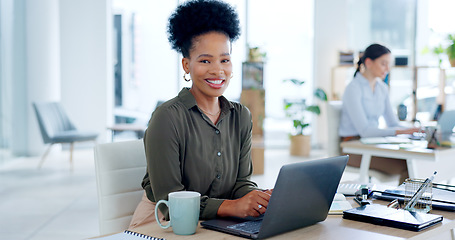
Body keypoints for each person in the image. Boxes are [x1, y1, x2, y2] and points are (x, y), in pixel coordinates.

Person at [129, 0, 271, 230]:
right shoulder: (167, 118)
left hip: (214, 223)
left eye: (225, 60)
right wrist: (232, 207)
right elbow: (170, 200)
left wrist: (259, 198)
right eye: (205, 60)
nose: (218, 70)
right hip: (161, 224)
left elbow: (241, 183)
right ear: (187, 65)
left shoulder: (241, 116)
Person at [338, 43, 421, 183]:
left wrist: (413, 130)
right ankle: (400, 205)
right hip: (353, 148)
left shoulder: (382, 88)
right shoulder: (353, 89)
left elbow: (393, 123)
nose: (388, 69)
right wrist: (401, 132)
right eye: (384, 64)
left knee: (415, 162)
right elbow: (365, 131)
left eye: (389, 64)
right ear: (369, 62)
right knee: (407, 166)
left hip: (373, 144)